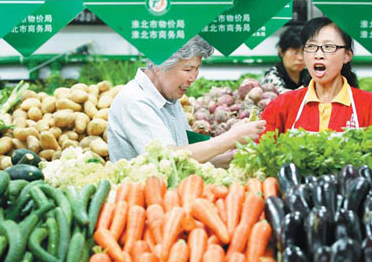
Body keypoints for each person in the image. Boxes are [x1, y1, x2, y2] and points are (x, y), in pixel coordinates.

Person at [108, 36, 266, 165]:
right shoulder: (136, 101)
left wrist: (229, 158)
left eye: (197, 68)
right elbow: (167, 158)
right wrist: (231, 138)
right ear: (158, 65)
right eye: (188, 69)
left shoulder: (169, 97)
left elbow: (185, 158)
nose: (193, 77)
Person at [260, 17, 372, 135]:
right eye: (311, 46)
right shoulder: (281, 106)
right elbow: (260, 147)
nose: (318, 55)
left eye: (328, 47)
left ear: (347, 55)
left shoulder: (371, 106)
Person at [261, 26, 310, 93]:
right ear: (281, 52)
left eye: (304, 52)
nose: (300, 58)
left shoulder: (308, 74)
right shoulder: (271, 76)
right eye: (295, 52)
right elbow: (286, 97)